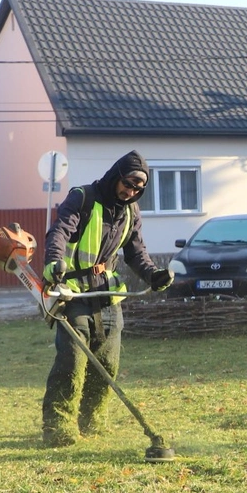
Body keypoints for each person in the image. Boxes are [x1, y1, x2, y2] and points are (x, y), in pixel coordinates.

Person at [41, 151, 174, 447]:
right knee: (72, 361)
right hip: (73, 292)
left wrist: (154, 275)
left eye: (138, 189)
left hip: (108, 295)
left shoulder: (131, 212)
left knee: (107, 363)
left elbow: (136, 253)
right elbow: (59, 233)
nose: (131, 192)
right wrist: (54, 263)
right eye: (128, 185)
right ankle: (58, 425)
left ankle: (91, 422)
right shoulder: (82, 198)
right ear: (116, 176)